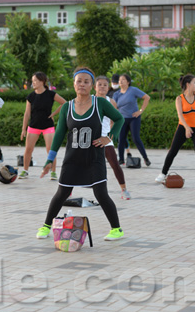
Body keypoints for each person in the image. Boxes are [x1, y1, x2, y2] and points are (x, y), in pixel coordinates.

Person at [37, 67, 125, 241]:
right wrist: (50, 159)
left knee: (100, 193)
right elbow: (60, 134)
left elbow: (120, 119)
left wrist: (110, 137)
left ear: (92, 85)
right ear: (74, 83)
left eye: (86, 82)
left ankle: (117, 229)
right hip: (72, 159)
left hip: (94, 158)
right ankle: (46, 226)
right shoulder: (67, 107)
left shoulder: (100, 103)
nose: (82, 84)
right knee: (62, 193)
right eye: (79, 81)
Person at [155, 74, 195, 185]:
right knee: (172, 152)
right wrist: (187, 128)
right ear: (188, 84)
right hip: (183, 127)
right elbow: (180, 116)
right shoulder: (179, 99)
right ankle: (163, 173)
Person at [19, 72, 66, 180]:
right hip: (33, 126)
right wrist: (23, 129)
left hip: (48, 126)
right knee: (28, 149)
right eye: (32, 81)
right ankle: (25, 171)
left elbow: (64, 103)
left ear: (42, 81)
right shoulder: (31, 96)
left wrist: (54, 114)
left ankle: (53, 172)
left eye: (35, 81)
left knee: (51, 150)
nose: (33, 83)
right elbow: (27, 113)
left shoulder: (51, 94)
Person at [95, 76, 131, 200]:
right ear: (95, 87)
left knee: (115, 164)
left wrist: (110, 135)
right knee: (79, 163)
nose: (102, 87)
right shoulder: (90, 100)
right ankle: (68, 190)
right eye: (99, 84)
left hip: (105, 138)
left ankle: (124, 189)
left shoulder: (111, 101)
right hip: (92, 139)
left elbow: (115, 120)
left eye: (105, 85)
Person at [113, 74, 151, 166]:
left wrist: (140, 111)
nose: (120, 81)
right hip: (122, 119)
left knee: (136, 138)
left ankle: (146, 158)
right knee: (121, 139)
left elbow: (147, 97)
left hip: (134, 118)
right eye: (119, 80)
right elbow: (114, 106)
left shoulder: (133, 90)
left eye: (123, 80)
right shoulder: (116, 94)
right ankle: (121, 160)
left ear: (128, 82)